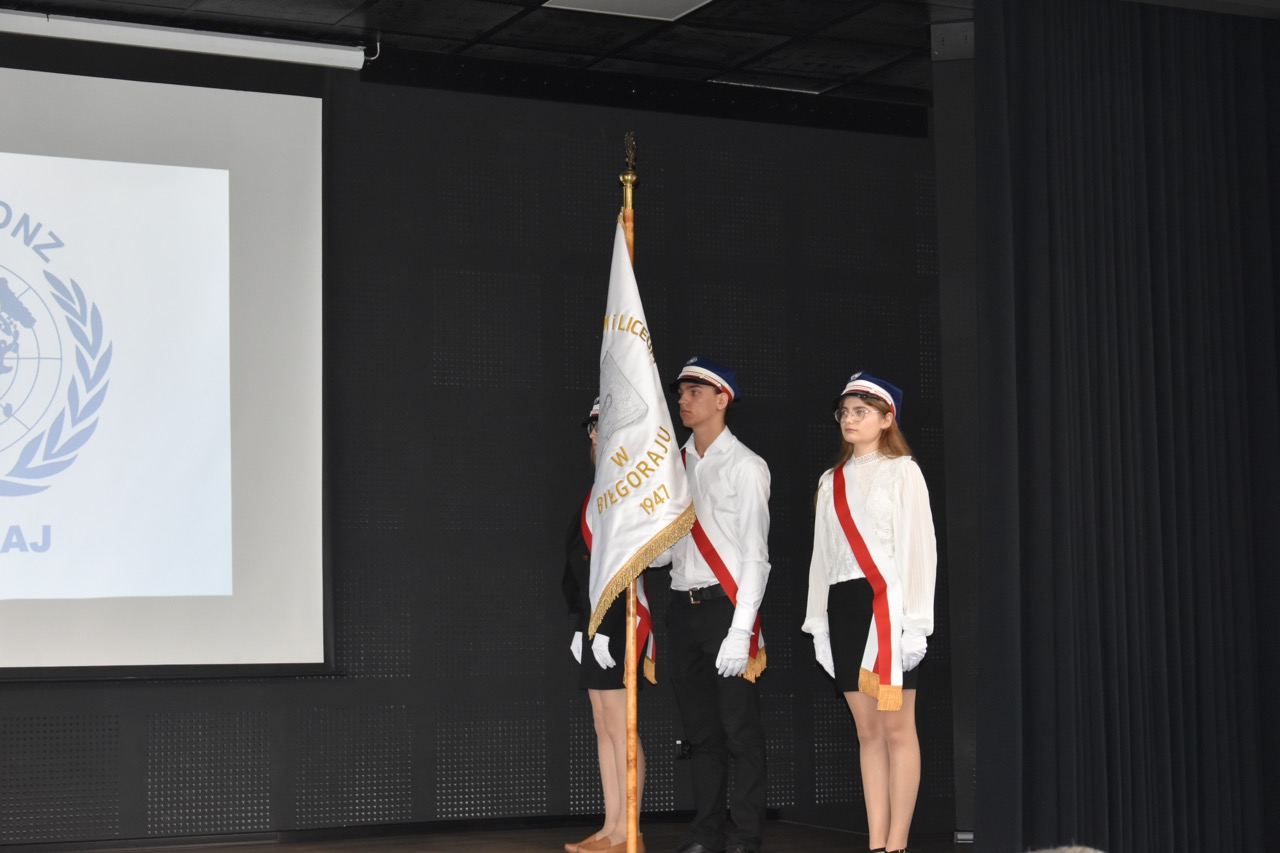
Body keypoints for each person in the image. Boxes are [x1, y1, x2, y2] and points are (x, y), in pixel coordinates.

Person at [802, 372, 937, 853]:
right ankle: (876, 842)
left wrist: (917, 624)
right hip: (844, 607)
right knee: (867, 732)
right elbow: (821, 557)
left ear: (886, 419)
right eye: (845, 411)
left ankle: (897, 843)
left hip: (888, 609)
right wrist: (818, 623)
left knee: (898, 730)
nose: (850, 419)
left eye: (862, 411)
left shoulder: (904, 472)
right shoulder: (829, 481)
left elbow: (920, 549)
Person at [653, 357, 771, 853]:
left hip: (727, 609)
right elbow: (665, 552)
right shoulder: (672, 465)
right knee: (700, 733)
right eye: (680, 393)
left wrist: (741, 630)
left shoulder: (746, 466)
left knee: (739, 731)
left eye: (694, 392)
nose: (683, 400)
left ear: (723, 399)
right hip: (682, 608)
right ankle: (705, 832)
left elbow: (756, 556)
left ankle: (745, 835)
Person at [562, 397, 650, 853]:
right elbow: (582, 565)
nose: (594, 434)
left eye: (602, 425)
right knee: (603, 723)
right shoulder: (597, 490)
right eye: (591, 427)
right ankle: (610, 824)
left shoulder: (629, 490)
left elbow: (628, 568)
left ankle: (628, 831)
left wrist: (608, 626)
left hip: (619, 619)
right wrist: (582, 623)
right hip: (594, 619)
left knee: (621, 724)